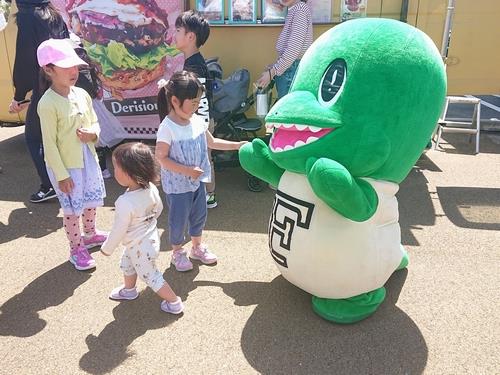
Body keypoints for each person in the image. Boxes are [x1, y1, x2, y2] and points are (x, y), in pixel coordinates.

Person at [155, 71, 246, 272]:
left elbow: (211, 142)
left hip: (196, 182)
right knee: (178, 220)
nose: (196, 107)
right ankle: (177, 252)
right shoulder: (167, 127)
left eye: (198, 102)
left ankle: (197, 247)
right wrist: (186, 170)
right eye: (193, 102)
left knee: (199, 215)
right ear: (175, 101)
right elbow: (161, 157)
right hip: (178, 187)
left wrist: (237, 145)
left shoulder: (195, 120)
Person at [37, 38, 107, 271]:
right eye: (66, 66)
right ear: (48, 70)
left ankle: (90, 233)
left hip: (86, 159)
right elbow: (49, 144)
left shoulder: (81, 94)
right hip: (66, 166)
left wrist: (93, 134)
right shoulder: (47, 103)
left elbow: (95, 122)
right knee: (71, 209)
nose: (73, 71)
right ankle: (76, 248)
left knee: (89, 200)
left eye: (75, 65)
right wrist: (61, 175)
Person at [100, 142, 184, 315]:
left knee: (151, 276)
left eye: (116, 168)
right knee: (127, 263)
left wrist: (107, 249)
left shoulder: (124, 202)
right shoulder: (150, 188)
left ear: (130, 173)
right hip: (147, 239)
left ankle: (174, 302)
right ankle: (129, 290)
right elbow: (158, 208)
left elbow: (118, 230)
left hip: (140, 245)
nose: (114, 171)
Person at [8, 0, 69, 203]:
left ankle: (49, 184)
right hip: (66, 84)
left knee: (34, 138)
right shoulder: (55, 14)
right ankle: (71, 180)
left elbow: (25, 59)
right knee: (63, 136)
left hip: (44, 86)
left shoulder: (27, 17)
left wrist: (19, 96)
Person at [158, 10, 218, 209]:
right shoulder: (194, 62)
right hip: (202, 121)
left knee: (203, 158)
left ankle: (208, 195)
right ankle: (204, 194)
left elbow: (197, 101)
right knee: (201, 157)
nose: (173, 35)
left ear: (190, 36)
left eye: (178, 30)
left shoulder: (195, 67)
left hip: (202, 121)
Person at [256, 0, 312, 99]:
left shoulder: (300, 10)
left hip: (292, 71)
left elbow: (293, 50)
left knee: (288, 110)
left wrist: (272, 72)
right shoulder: (294, 9)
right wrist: (275, 67)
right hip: (290, 68)